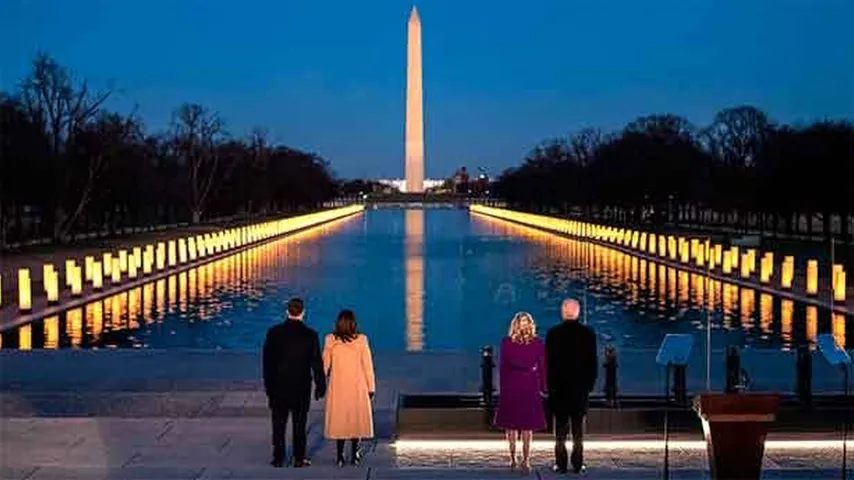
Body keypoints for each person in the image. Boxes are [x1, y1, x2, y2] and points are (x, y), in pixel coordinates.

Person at [262, 298, 326, 468]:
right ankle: (299, 458)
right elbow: (316, 363)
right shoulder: (311, 335)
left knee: (278, 424)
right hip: (301, 387)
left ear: (287, 312)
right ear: (303, 312)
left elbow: (267, 363)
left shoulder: (273, 333)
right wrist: (321, 386)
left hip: (278, 387)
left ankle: (278, 458)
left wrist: (268, 387)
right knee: (300, 424)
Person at [545, 298, 597, 474]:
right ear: (578, 312)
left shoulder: (553, 334)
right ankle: (578, 463)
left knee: (560, 430)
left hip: (559, 389)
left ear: (563, 312)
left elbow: (548, 363)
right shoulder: (588, 333)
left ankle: (560, 464)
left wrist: (549, 386)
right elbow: (593, 363)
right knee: (578, 431)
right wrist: (589, 386)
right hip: (579, 390)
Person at [493, 312, 547, 473]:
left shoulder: (538, 343)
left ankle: (526, 459)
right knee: (511, 425)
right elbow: (503, 366)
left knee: (527, 426)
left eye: (527, 322)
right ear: (516, 324)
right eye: (522, 322)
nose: (524, 324)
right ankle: (512, 458)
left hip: (530, 384)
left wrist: (544, 387)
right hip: (512, 384)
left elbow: (542, 365)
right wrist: (502, 388)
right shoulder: (507, 342)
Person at [322, 309, 376, 467]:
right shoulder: (361, 340)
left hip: (338, 386)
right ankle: (355, 455)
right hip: (357, 386)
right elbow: (367, 366)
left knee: (340, 421)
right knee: (355, 420)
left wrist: (320, 380)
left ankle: (340, 456)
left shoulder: (330, 340)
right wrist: (371, 387)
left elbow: (325, 365)